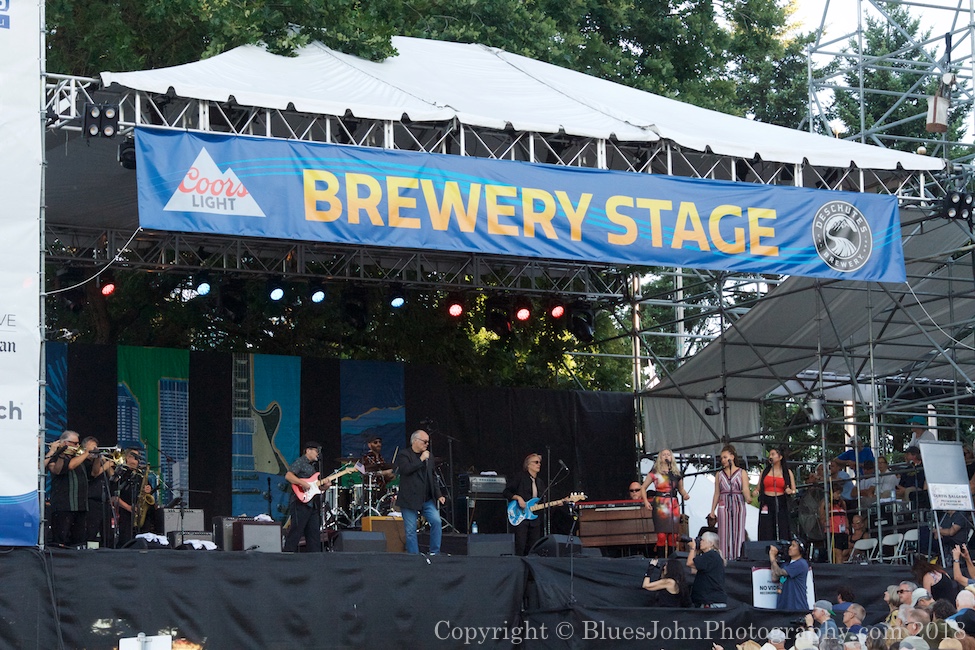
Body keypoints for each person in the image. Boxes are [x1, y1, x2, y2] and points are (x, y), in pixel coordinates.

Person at [396, 429, 445, 555]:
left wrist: (439, 494)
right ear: (415, 441)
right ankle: (414, 557)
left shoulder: (429, 456)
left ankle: (434, 552)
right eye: (424, 441)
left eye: (428, 442)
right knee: (411, 530)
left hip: (426, 499)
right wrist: (421, 459)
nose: (427, 444)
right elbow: (406, 470)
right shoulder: (404, 455)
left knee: (436, 521)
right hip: (409, 499)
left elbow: (433, 476)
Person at [45, 430, 93, 547]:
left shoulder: (79, 457)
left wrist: (95, 457)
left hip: (80, 505)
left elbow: (95, 473)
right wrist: (87, 452)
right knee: (60, 540)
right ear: (65, 443)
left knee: (78, 541)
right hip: (63, 505)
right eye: (74, 443)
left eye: (78, 443)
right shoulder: (55, 456)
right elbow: (61, 469)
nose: (77, 446)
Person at [641, 449, 690, 553]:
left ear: (671, 457)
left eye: (668, 454)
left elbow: (681, 489)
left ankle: (672, 561)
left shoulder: (676, 473)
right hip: (660, 505)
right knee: (661, 536)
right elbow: (643, 488)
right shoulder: (654, 473)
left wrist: (685, 494)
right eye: (664, 455)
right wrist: (646, 502)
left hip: (673, 505)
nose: (666, 456)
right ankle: (661, 560)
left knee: (673, 536)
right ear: (660, 457)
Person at [283, 442, 329, 553]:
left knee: (314, 534)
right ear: (308, 450)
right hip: (299, 502)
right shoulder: (300, 462)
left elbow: (314, 488)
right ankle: (286, 556)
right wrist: (302, 483)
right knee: (296, 531)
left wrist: (324, 487)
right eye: (316, 451)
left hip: (311, 504)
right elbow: (288, 476)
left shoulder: (312, 467)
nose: (318, 454)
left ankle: (315, 560)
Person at [710, 444, 750, 560]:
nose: (723, 460)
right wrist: (712, 510)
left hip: (738, 503)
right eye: (721, 458)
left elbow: (745, 488)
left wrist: (748, 497)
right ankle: (724, 558)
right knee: (723, 532)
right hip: (724, 502)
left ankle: (738, 557)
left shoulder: (741, 472)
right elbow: (717, 493)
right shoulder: (719, 474)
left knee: (738, 532)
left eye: (725, 457)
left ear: (732, 456)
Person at [504, 453, 544, 556]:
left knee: (533, 547)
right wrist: (518, 498)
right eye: (536, 462)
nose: (538, 464)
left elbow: (543, 501)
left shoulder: (539, 482)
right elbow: (506, 492)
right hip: (521, 516)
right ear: (528, 465)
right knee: (520, 545)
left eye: (539, 462)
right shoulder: (520, 477)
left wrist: (561, 502)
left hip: (534, 518)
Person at [83, 436, 117, 548]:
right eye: (92, 447)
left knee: (107, 533)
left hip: (105, 501)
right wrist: (104, 463)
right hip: (92, 501)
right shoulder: (85, 462)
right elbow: (94, 473)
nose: (95, 448)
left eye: (96, 447)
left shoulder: (100, 461)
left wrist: (106, 462)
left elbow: (113, 477)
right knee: (91, 531)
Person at [758, 446, 796, 541]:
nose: (770, 456)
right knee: (766, 527)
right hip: (766, 500)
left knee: (782, 526)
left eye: (773, 454)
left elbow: (794, 490)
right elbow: (758, 487)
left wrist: (790, 491)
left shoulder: (787, 472)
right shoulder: (765, 471)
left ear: (780, 457)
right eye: (770, 455)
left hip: (780, 500)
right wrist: (755, 491)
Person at [686, 531, 727, 608]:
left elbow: (689, 563)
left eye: (703, 540)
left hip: (710, 602)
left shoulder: (711, 555)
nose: (700, 542)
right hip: (709, 600)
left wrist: (693, 548)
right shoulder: (711, 556)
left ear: (711, 543)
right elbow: (693, 570)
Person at [770, 538, 809, 611]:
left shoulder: (801, 563)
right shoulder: (786, 564)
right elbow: (774, 577)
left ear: (800, 549)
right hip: (783, 606)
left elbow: (779, 572)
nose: (790, 548)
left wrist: (772, 557)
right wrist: (775, 559)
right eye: (790, 545)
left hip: (796, 606)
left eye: (793, 546)